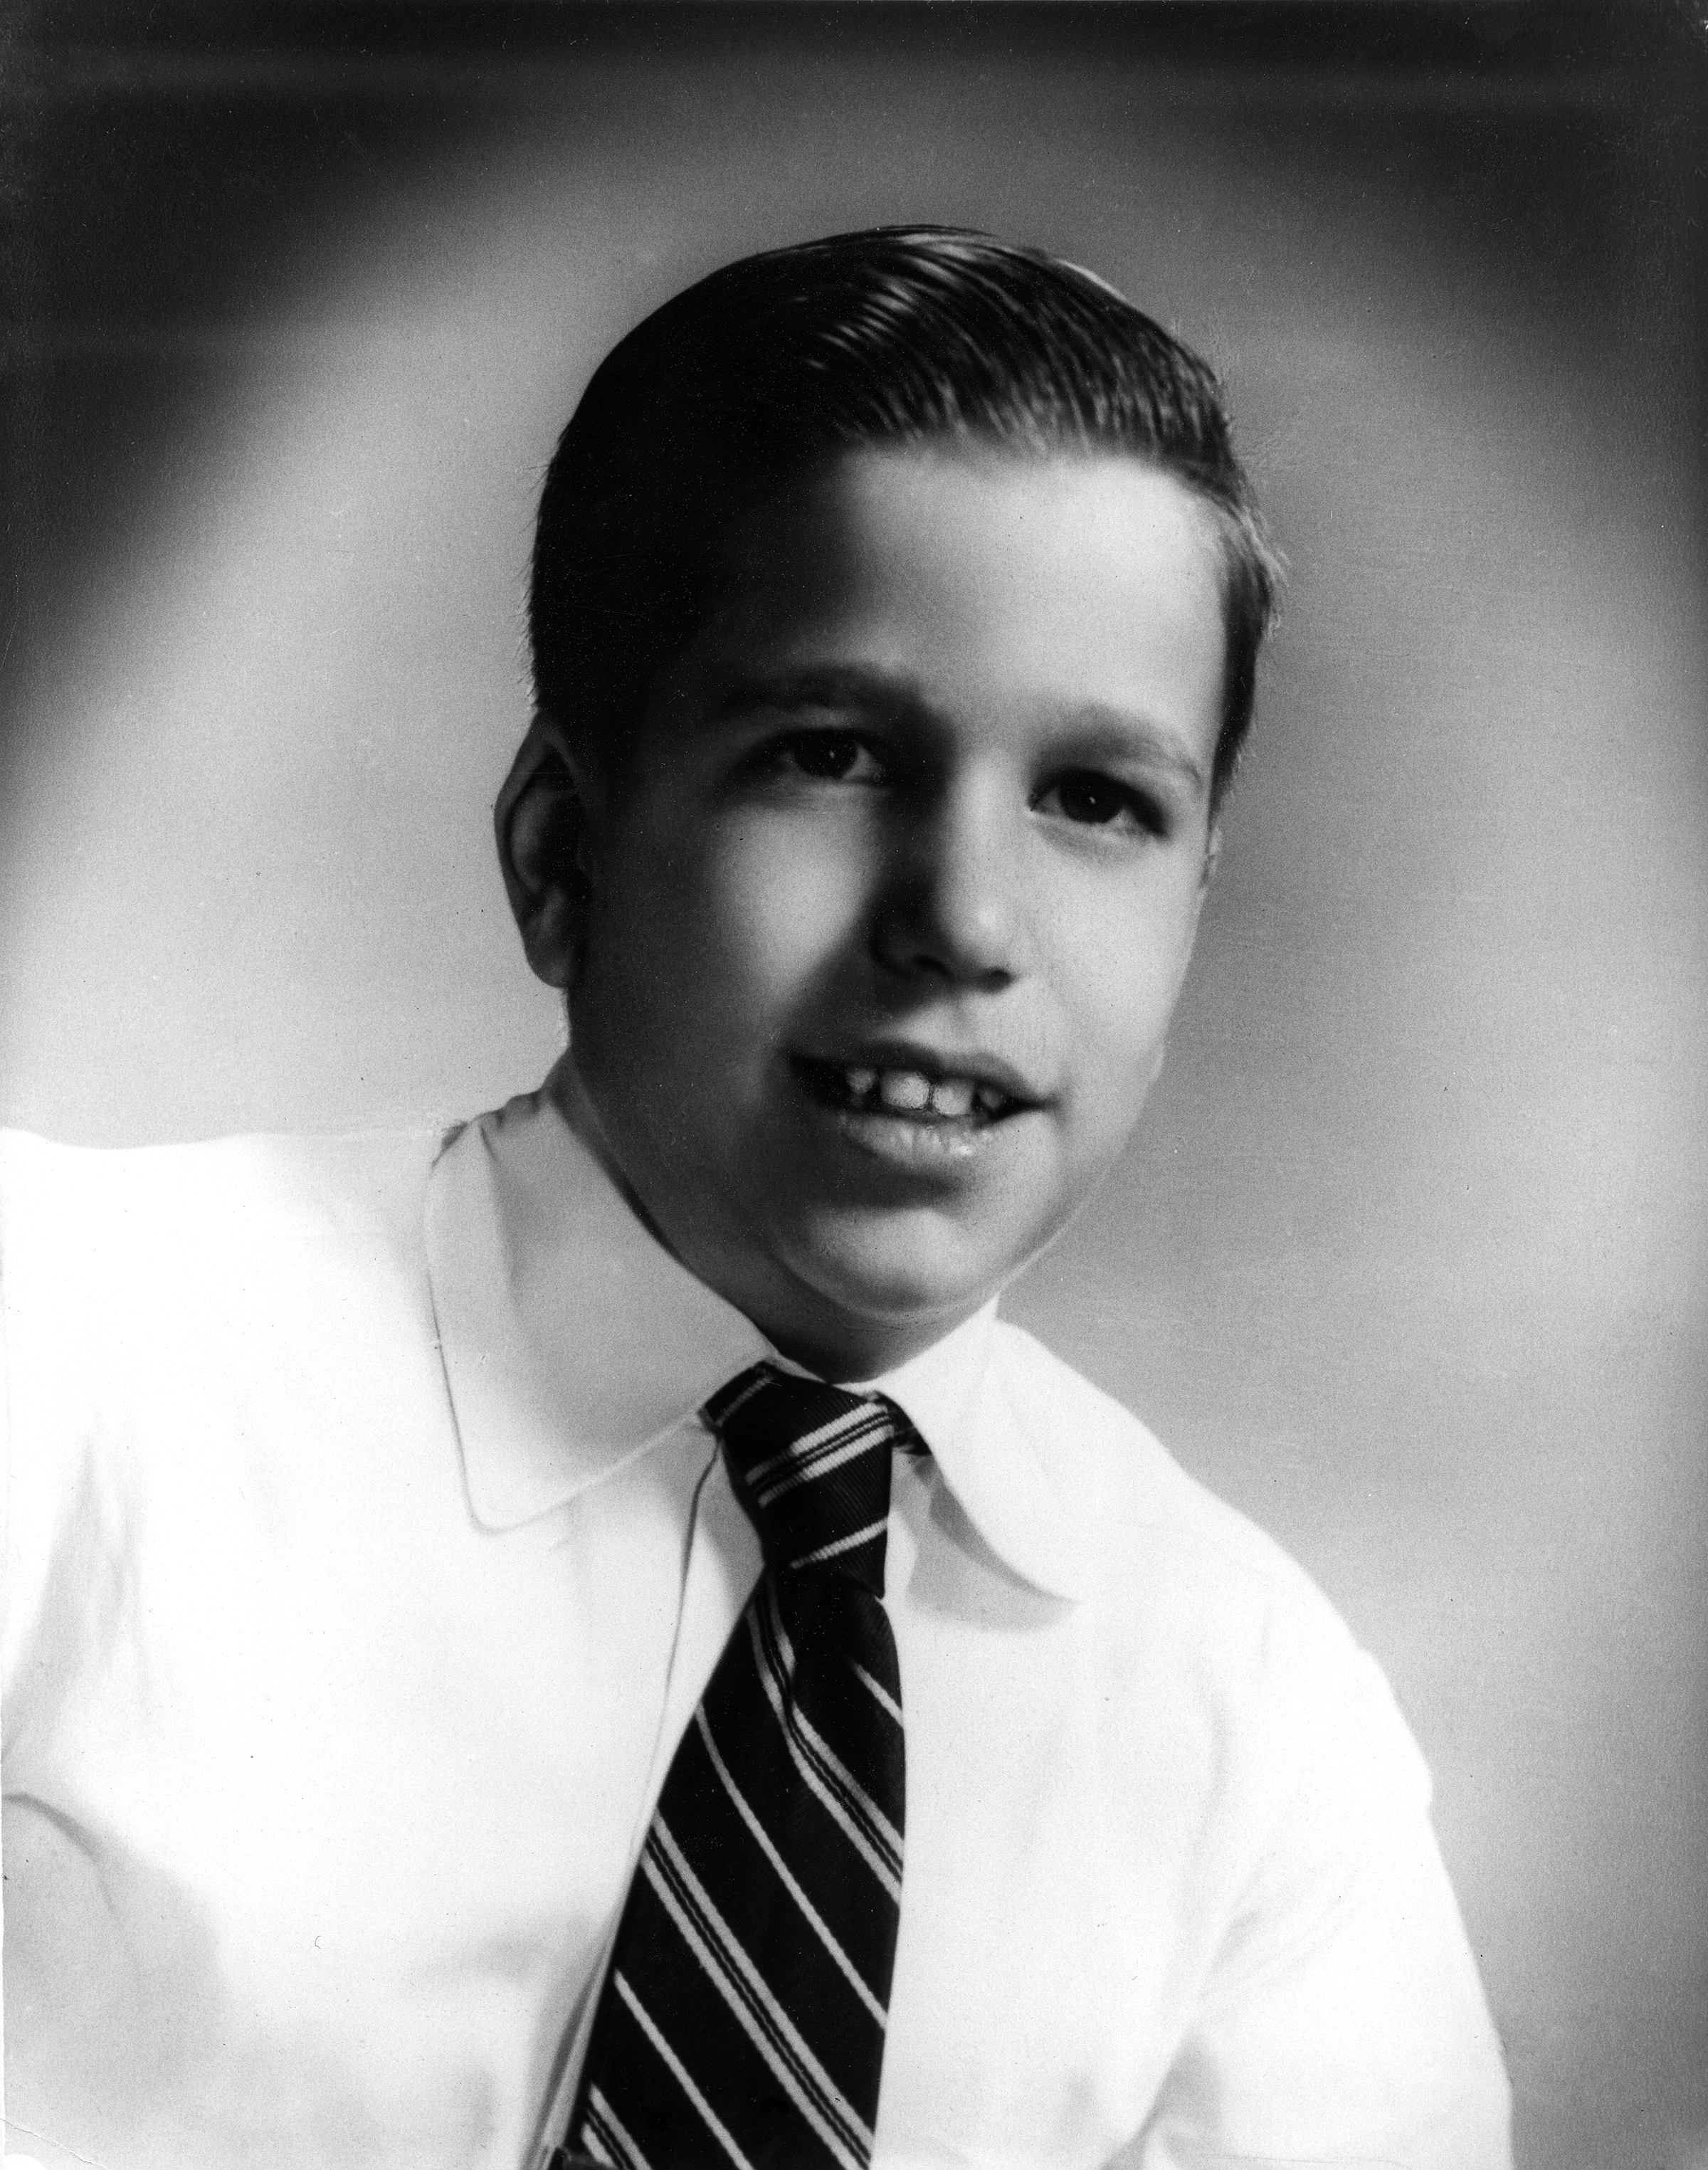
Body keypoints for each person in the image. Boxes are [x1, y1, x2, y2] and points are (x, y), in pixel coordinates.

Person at [0, 228, 1512, 2170]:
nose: (964, 922)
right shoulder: (71, 1349)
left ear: (1196, 903)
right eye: (830, 753)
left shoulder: (1261, 1737)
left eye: (1097, 800)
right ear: (564, 849)